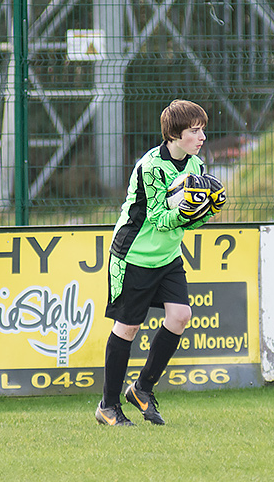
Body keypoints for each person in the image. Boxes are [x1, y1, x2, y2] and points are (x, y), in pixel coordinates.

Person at [96, 99, 225, 426]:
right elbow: (157, 218)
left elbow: (187, 223)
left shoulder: (195, 166)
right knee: (128, 328)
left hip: (167, 256)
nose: (202, 137)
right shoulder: (151, 167)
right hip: (134, 255)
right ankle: (107, 406)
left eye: (202, 130)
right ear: (174, 135)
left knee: (181, 315)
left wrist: (207, 211)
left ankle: (142, 388)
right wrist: (188, 211)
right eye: (195, 131)